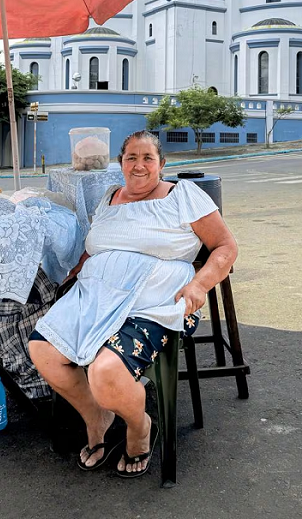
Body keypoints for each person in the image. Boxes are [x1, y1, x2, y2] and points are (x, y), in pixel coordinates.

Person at [29, 130, 238, 479]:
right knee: (43, 351)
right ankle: (97, 417)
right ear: (121, 163)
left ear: (161, 164)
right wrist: (77, 269)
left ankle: (140, 427)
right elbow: (98, 246)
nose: (139, 166)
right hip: (95, 296)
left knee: (105, 371)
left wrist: (200, 284)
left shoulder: (183, 196)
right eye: (131, 158)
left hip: (154, 300)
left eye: (147, 158)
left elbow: (226, 246)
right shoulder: (110, 197)